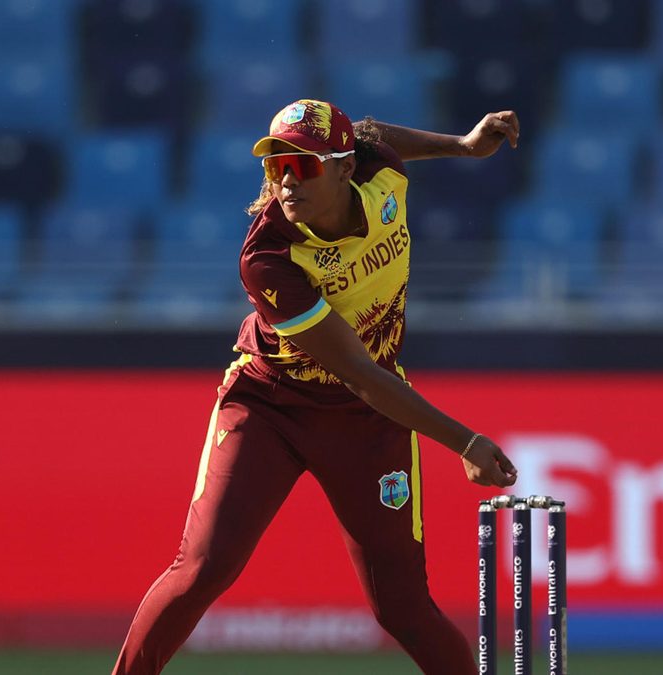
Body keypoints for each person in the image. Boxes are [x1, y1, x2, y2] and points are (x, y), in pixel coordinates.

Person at [114, 99, 521, 675]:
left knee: (401, 607)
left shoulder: (379, 170)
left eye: (301, 166)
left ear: (343, 166)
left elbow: (376, 132)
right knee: (201, 570)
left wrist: (463, 145)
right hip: (270, 407)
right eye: (275, 166)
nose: (284, 181)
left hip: (366, 423)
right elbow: (359, 376)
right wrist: (464, 442)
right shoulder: (270, 257)